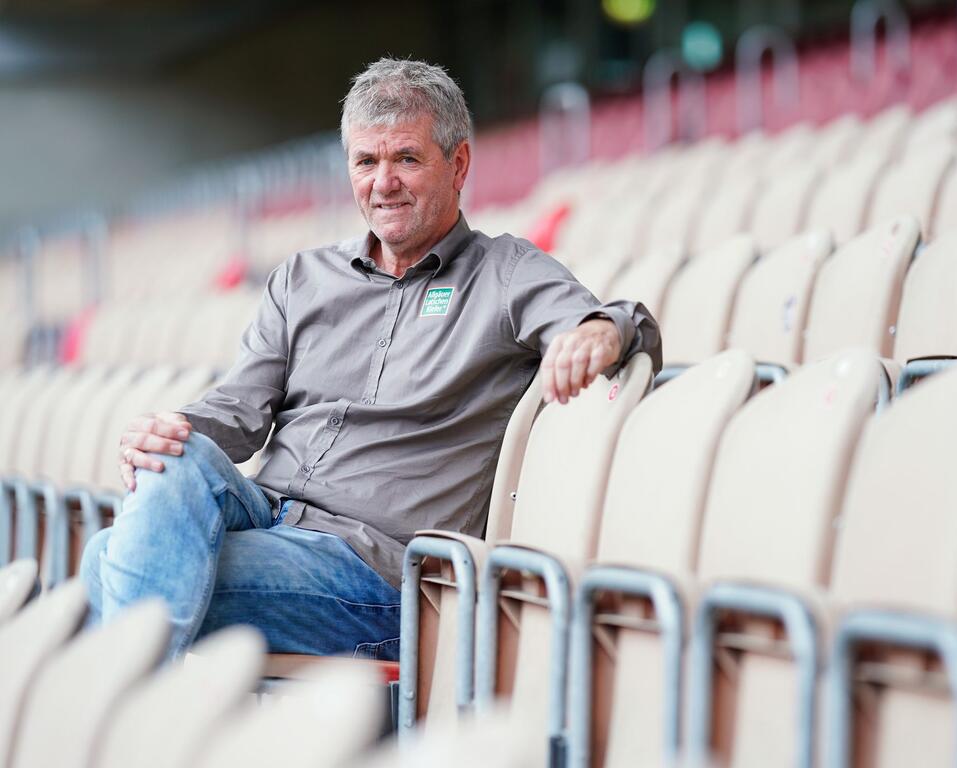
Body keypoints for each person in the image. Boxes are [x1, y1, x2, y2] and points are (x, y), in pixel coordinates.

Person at [80, 58, 661, 661]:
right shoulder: (302, 278)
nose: (383, 182)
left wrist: (600, 332)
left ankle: (119, 725)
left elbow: (613, 322)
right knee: (172, 462)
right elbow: (237, 411)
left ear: (458, 164)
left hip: (380, 575)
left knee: (111, 562)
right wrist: (172, 431)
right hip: (269, 515)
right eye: (366, 162)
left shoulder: (506, 272)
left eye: (406, 158)